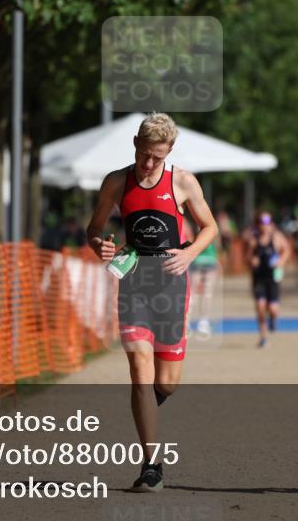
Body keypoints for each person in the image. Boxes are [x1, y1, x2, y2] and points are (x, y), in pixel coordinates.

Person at [86, 113, 217, 493]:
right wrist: (100, 245)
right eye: (144, 154)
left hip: (172, 288)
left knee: (168, 383)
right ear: (134, 144)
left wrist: (190, 254)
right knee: (139, 370)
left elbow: (210, 228)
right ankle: (151, 465)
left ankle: (145, 408)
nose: (148, 164)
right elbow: (94, 228)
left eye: (156, 157)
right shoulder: (116, 181)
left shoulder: (183, 181)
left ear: (169, 151)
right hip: (133, 285)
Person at [245, 211, 290, 347]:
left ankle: (274, 319)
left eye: (267, 223)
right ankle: (263, 337)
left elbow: (287, 250)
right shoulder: (253, 240)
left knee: (273, 309)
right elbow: (247, 256)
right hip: (259, 278)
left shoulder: (277, 238)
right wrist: (252, 260)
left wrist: (281, 261)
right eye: (261, 223)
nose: (264, 226)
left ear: (272, 224)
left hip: (273, 278)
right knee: (260, 306)